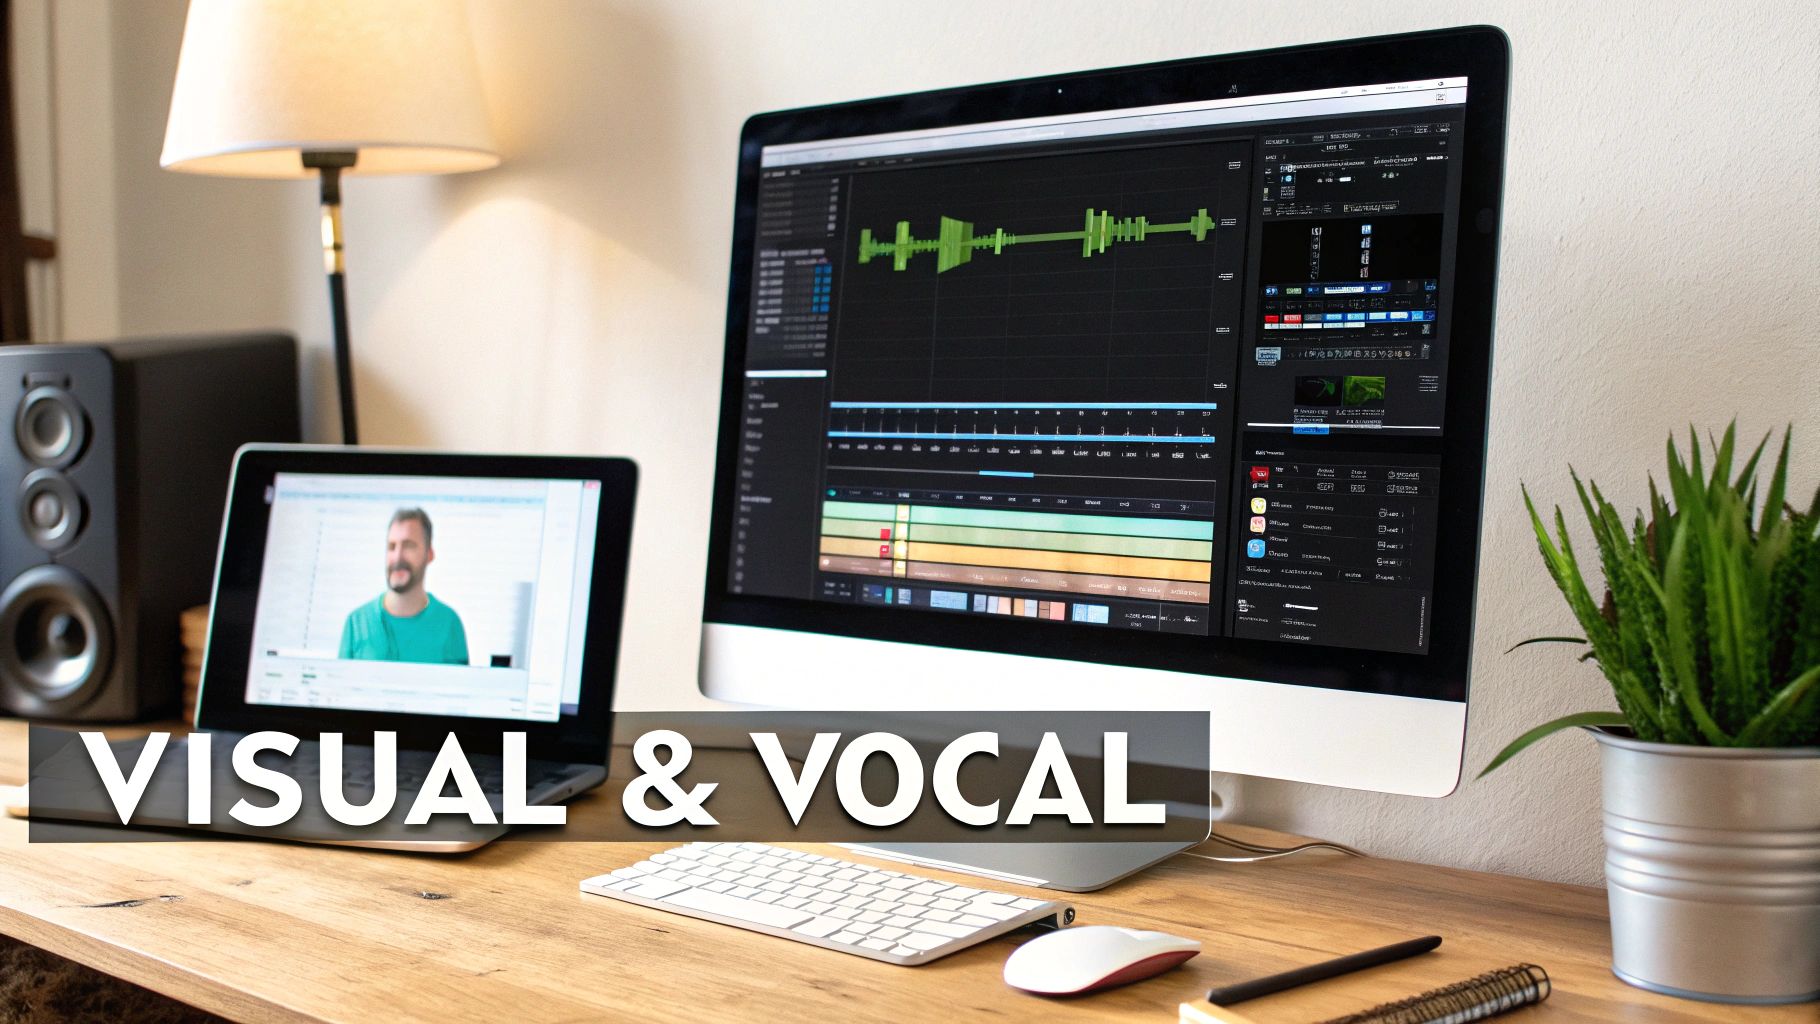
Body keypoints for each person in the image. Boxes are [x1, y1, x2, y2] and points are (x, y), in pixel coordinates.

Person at [339, 507, 469, 665]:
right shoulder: (356, 623)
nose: (397, 557)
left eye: (408, 546)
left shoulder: (449, 623)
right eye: (392, 547)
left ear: (429, 555)